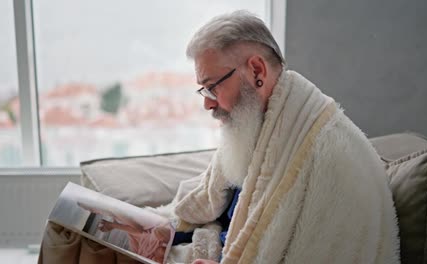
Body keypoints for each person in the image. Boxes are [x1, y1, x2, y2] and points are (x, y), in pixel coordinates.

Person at [160, 10, 400, 264]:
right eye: (203, 90)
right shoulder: (250, 128)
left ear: (256, 70)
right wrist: (165, 233)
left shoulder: (330, 152)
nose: (208, 104)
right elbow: (208, 207)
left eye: (212, 87)